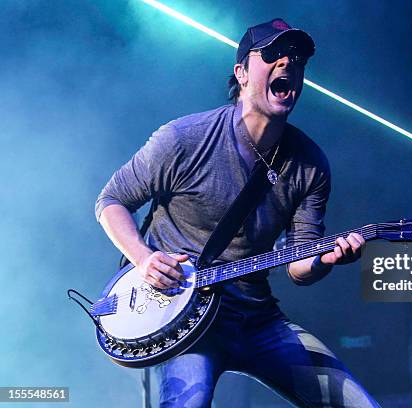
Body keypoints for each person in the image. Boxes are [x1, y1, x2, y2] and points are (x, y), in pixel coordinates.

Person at [96, 18, 380, 408]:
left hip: (257, 320)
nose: (287, 64)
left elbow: (299, 266)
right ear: (242, 73)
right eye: (273, 55)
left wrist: (327, 259)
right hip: (184, 319)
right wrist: (144, 260)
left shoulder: (311, 165)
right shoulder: (183, 139)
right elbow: (110, 201)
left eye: (296, 59)